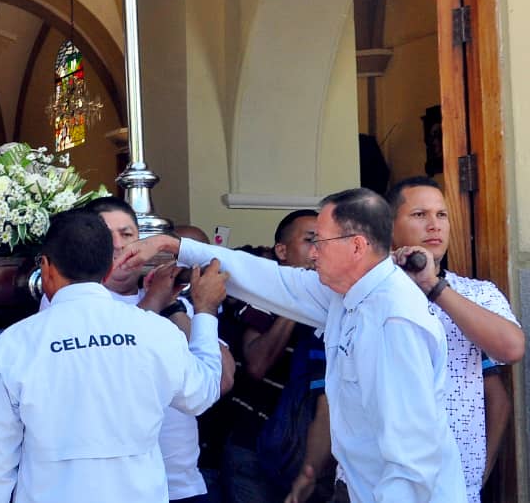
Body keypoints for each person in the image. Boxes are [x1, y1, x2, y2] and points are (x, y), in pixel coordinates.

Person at [117, 188, 468, 503]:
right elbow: (271, 280)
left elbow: (414, 453)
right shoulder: (346, 293)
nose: (313, 253)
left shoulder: (395, 318)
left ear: (356, 246)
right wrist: (176, 247)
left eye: (321, 242)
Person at [0, 209, 226, 503]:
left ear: (47, 267)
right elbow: (201, 394)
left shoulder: (15, 344)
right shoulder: (156, 332)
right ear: (107, 269)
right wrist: (205, 312)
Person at [388, 176, 524, 503]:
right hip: (379, 482)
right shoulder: (368, 292)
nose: (434, 225)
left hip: (453, 486)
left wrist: (435, 288)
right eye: (420, 215)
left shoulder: (478, 293)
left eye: (442, 215)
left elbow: (512, 348)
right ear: (388, 226)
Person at [217, 210, 333, 503]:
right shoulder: (259, 298)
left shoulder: (336, 301)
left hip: (311, 450)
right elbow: (257, 364)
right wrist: (296, 303)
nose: (318, 250)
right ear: (281, 250)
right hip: (252, 446)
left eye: (326, 241)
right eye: (310, 241)